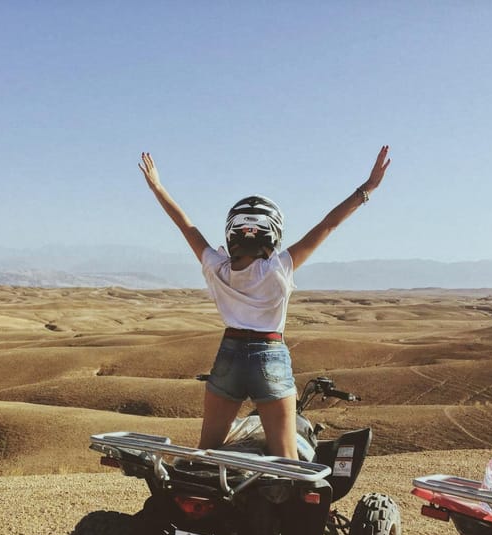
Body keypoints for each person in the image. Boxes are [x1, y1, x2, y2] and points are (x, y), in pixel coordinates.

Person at [139, 146, 391, 459]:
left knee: (205, 455)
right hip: (269, 356)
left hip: (228, 356)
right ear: (273, 235)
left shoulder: (216, 267)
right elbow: (328, 224)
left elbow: (186, 225)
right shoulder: (278, 267)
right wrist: (367, 188)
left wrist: (158, 187)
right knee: (287, 463)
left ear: (232, 233)